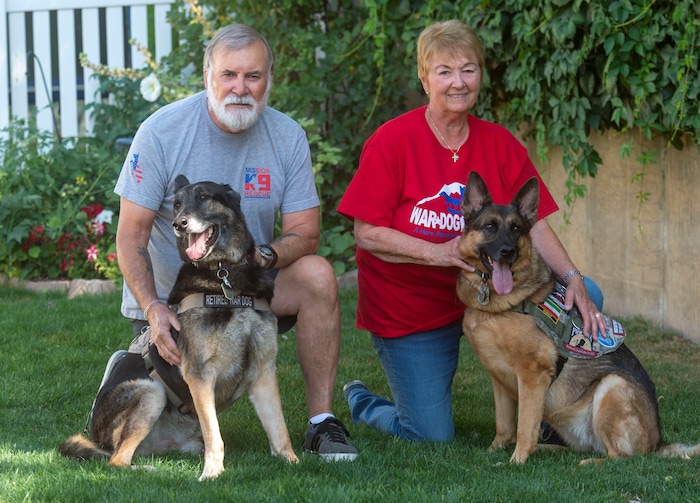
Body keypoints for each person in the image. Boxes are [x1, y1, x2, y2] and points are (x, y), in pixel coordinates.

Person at [337, 19, 607, 442]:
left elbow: (536, 225)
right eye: (444, 72)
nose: (458, 82)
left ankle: (544, 415)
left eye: (469, 69)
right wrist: (439, 253)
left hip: (492, 296)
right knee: (429, 434)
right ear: (425, 80)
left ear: (481, 74)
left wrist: (572, 277)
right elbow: (367, 231)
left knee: (585, 293)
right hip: (411, 309)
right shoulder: (392, 141)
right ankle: (364, 401)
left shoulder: (499, 143)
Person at [112, 24, 357, 461]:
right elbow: (131, 236)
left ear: (269, 81)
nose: (240, 88)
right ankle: (135, 360)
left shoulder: (287, 136)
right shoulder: (162, 132)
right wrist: (152, 307)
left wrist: (264, 256)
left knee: (318, 274)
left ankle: (322, 424)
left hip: (250, 285)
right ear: (208, 75)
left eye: (253, 77)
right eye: (229, 75)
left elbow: (306, 232)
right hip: (179, 302)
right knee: (176, 407)